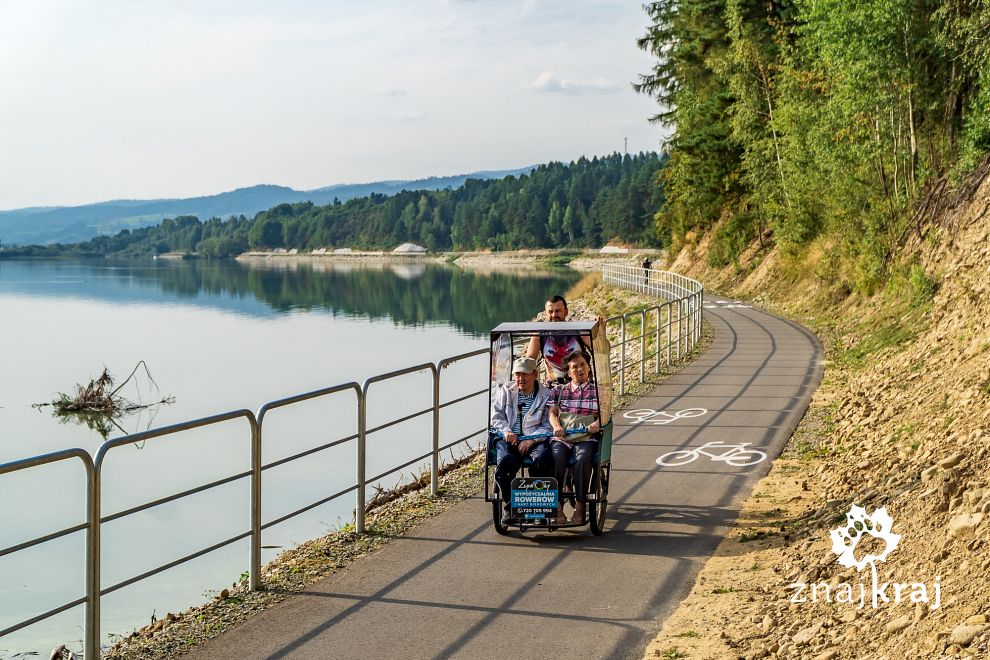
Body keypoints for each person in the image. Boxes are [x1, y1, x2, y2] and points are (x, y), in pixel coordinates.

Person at [490, 356, 555, 524]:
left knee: (541, 460)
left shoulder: (546, 395)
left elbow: (548, 426)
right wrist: (507, 431)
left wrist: (531, 441)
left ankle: (537, 511)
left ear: (535, 374)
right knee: (504, 463)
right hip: (509, 438)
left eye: (525, 374)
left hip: (534, 439)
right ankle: (512, 508)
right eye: (517, 374)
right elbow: (496, 416)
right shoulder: (506, 390)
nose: (520, 379)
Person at [549, 350, 602, 524]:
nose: (579, 369)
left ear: (589, 368)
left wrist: (598, 423)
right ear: (568, 372)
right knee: (556, 456)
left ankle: (580, 507)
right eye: (574, 367)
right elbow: (552, 413)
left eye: (583, 365)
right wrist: (556, 426)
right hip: (564, 436)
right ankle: (556, 507)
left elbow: (606, 415)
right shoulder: (560, 391)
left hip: (586, 436)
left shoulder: (598, 391)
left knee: (582, 459)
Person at [525, 295, 598, 385]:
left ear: (566, 312)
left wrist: (600, 334)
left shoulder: (579, 330)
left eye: (558, 311)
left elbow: (602, 349)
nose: (554, 315)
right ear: (546, 313)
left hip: (580, 385)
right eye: (550, 312)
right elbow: (529, 360)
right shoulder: (539, 334)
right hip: (553, 386)